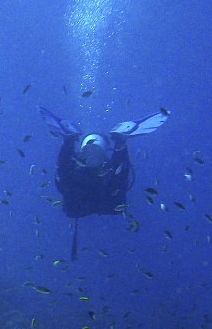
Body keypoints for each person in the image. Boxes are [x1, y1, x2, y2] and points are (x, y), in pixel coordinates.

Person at [40, 106, 169, 259]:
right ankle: (120, 142)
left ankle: (69, 140)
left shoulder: (77, 169)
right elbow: (122, 176)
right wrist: (120, 147)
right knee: (117, 178)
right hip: (107, 202)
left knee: (68, 179)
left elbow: (62, 174)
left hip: (78, 204)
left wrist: (68, 146)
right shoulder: (106, 170)